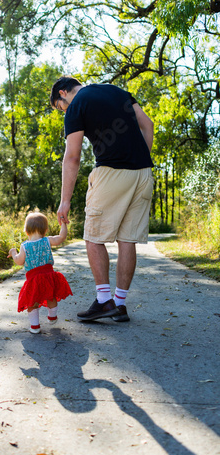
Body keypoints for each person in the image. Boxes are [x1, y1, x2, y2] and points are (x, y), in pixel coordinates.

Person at [50, 76, 154, 322]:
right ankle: (119, 304)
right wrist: (139, 163)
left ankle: (104, 301)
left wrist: (65, 201)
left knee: (93, 236)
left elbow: (72, 157)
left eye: (59, 107)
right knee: (127, 239)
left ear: (63, 93)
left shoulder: (76, 106)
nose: (62, 111)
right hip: (143, 174)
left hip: (111, 172)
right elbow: (148, 125)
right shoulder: (117, 91)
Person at [8, 212, 73, 334]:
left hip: (33, 279)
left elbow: (19, 261)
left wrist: (13, 253)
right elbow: (61, 237)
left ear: (26, 231)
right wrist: (64, 224)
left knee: (32, 302)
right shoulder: (47, 241)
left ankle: (35, 326)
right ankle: (52, 317)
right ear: (45, 230)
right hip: (49, 276)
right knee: (51, 296)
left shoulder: (25, 246)